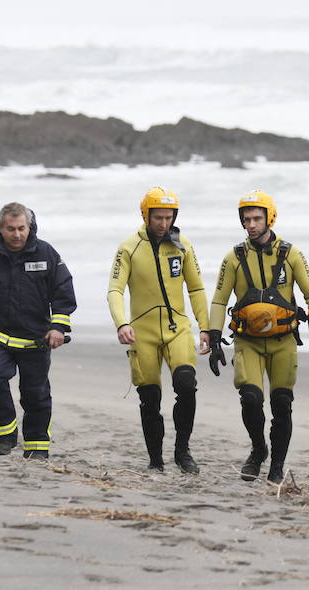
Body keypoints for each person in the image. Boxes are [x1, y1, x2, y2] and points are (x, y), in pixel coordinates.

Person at [207, 190, 309, 484]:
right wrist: (213, 338)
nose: (251, 224)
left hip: (283, 342)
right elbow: (219, 300)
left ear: (269, 218)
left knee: (281, 403)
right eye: (246, 219)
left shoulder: (291, 254)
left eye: (257, 218)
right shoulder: (234, 258)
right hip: (247, 342)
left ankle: (277, 464)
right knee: (250, 398)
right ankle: (259, 449)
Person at [0, 202, 76, 459]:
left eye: (21, 228)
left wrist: (58, 328)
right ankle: (4, 436)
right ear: (1, 228)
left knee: (36, 395)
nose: (17, 234)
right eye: (11, 229)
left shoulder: (47, 254)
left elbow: (63, 292)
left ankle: (37, 449)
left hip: (37, 339)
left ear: (29, 226)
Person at [107, 186, 210, 474]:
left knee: (186, 386)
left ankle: (182, 451)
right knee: (150, 399)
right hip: (143, 333)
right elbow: (115, 289)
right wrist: (122, 322)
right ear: (146, 215)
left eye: (169, 217)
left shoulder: (183, 245)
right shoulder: (129, 247)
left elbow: (197, 288)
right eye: (158, 218)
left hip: (177, 330)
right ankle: (155, 459)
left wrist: (206, 327)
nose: (164, 224)